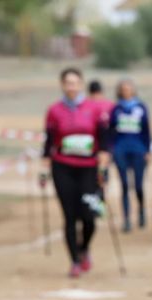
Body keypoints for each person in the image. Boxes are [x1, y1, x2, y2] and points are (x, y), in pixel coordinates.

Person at [40, 67, 111, 278]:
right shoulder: (54, 111)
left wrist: (103, 166)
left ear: (81, 84)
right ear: (62, 85)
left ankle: (84, 248)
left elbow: (104, 141)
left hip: (89, 169)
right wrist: (44, 171)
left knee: (89, 216)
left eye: (74, 82)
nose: (71, 86)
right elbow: (49, 142)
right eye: (67, 83)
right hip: (63, 167)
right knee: (70, 216)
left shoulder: (95, 109)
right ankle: (74, 261)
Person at [110, 78, 152, 233]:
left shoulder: (140, 107)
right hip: (121, 150)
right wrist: (111, 150)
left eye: (129, 88)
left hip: (138, 150)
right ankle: (126, 219)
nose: (126, 91)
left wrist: (148, 150)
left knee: (138, 185)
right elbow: (111, 131)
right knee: (124, 185)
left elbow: (146, 130)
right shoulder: (116, 109)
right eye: (123, 88)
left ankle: (141, 209)